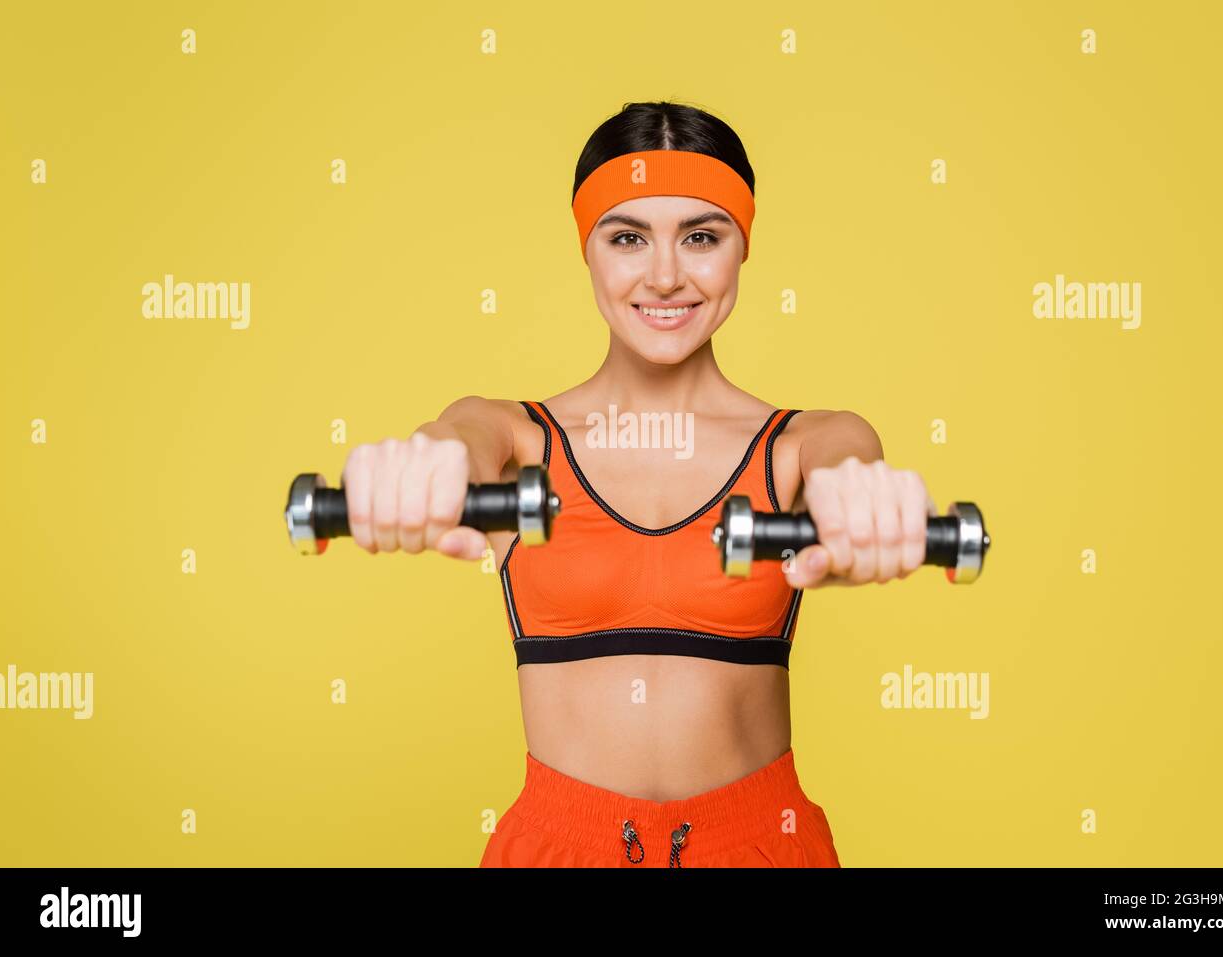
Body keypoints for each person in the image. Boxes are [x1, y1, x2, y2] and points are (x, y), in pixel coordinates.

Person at [340, 101, 937, 867]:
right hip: (556, 849)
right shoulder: (517, 437)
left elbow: (849, 466)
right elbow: (458, 441)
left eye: (700, 236)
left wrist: (864, 501)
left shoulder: (803, 444)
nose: (664, 275)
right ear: (587, 249)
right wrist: (419, 465)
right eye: (628, 237)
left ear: (741, 245)